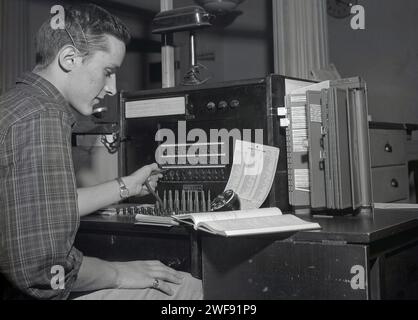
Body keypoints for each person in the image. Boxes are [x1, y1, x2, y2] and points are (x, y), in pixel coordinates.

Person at [0, 3, 202, 300]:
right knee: (185, 288)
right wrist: (121, 273)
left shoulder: (18, 104)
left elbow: (45, 206)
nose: (111, 88)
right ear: (69, 58)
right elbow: (42, 273)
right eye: (108, 71)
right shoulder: (42, 116)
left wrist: (127, 186)